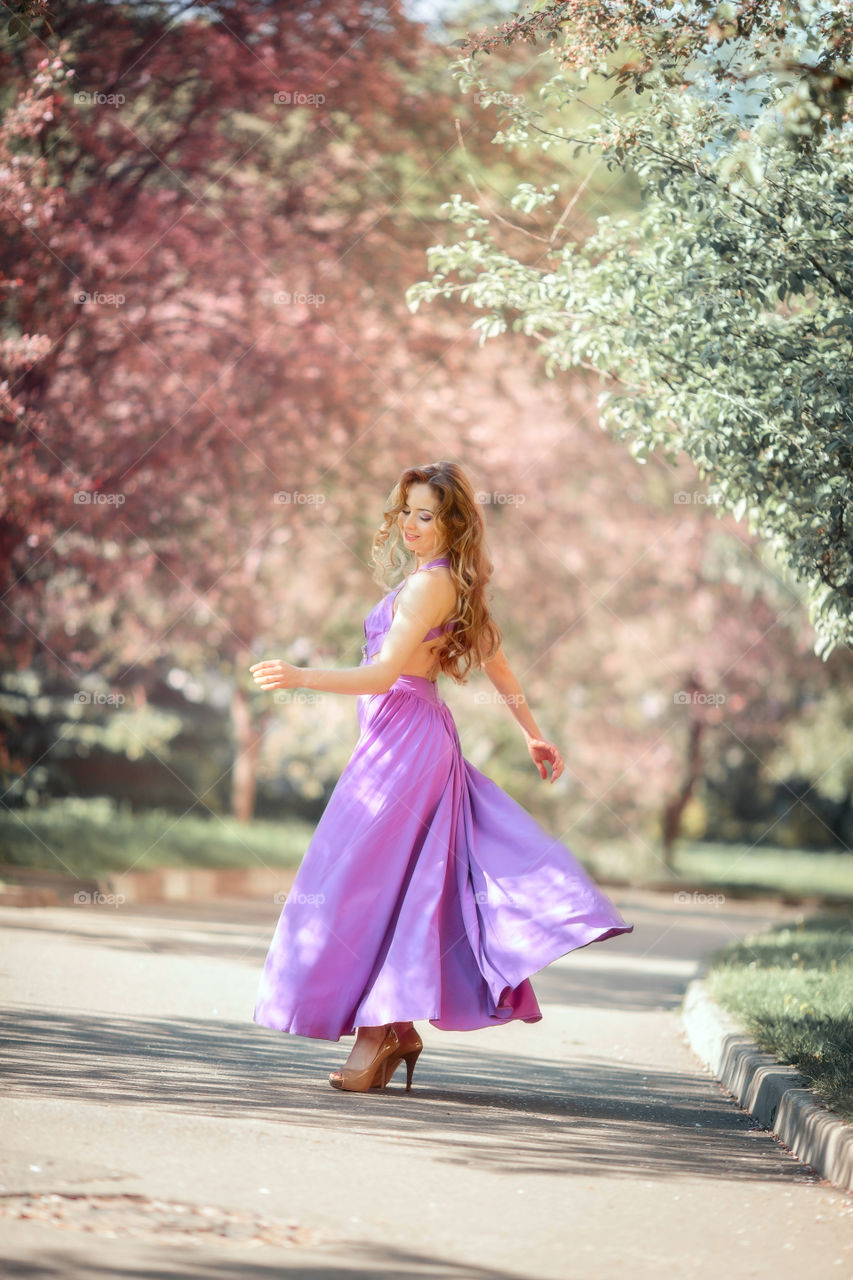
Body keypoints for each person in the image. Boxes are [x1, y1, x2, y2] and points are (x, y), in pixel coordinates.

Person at [249, 460, 633, 1093]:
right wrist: (533, 733)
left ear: (452, 524)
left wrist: (300, 676)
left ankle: (380, 1033)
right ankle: (391, 1030)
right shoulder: (454, 587)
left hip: (406, 745)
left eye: (425, 515)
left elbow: (381, 676)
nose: (410, 524)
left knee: (364, 882)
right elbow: (501, 668)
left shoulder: (431, 587)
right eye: (406, 511)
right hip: (398, 742)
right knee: (392, 884)